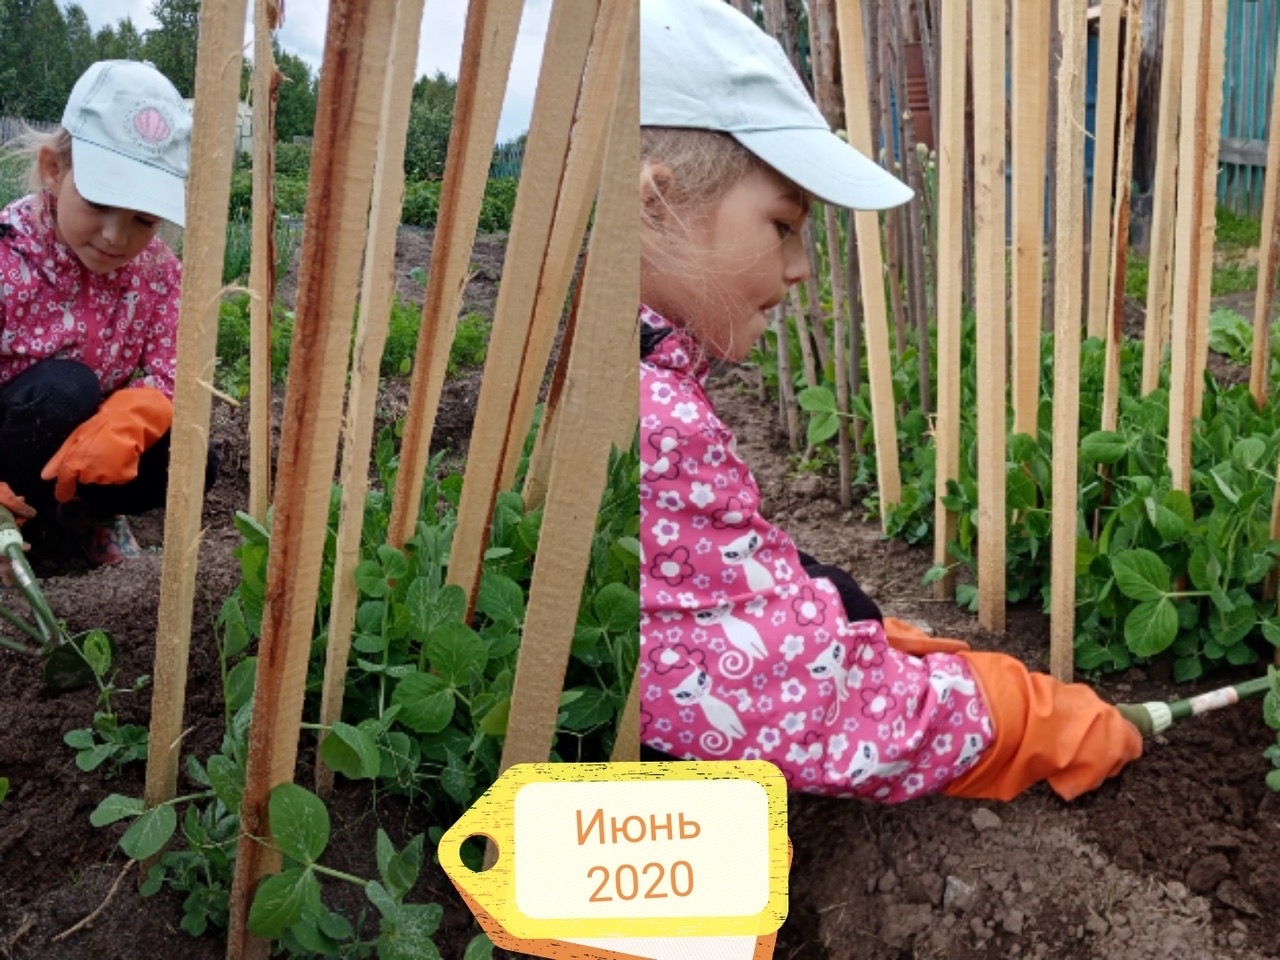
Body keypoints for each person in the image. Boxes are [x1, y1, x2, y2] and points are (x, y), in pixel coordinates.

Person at [638, 0, 1143, 803]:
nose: (800, 266)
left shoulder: (608, 366)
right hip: (601, 829)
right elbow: (812, 710)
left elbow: (687, 608)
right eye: (782, 224)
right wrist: (1017, 721)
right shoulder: (656, 423)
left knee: (829, 588)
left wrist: (822, 614)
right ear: (655, 204)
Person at [0, 59, 215, 567]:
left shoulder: (158, 273)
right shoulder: (8, 256)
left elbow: (176, 375)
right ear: (55, 170)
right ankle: (25, 525)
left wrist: (137, 415)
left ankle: (80, 516)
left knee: (190, 458)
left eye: (143, 219)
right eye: (98, 203)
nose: (117, 237)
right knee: (64, 389)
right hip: (11, 448)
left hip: (79, 449)